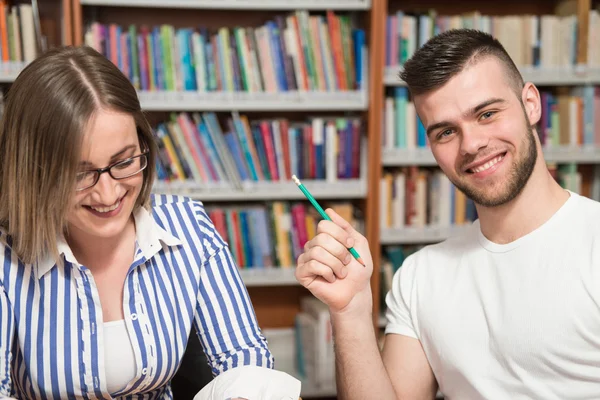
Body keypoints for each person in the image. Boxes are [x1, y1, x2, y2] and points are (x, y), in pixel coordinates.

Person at [295, 28, 600, 399]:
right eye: (445, 132)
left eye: (487, 114)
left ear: (530, 104)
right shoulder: (420, 277)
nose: (472, 145)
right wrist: (351, 311)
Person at [0, 45, 300, 399]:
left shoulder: (188, 226)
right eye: (80, 175)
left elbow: (245, 360)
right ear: (34, 173)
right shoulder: (7, 258)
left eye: (124, 162)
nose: (108, 194)